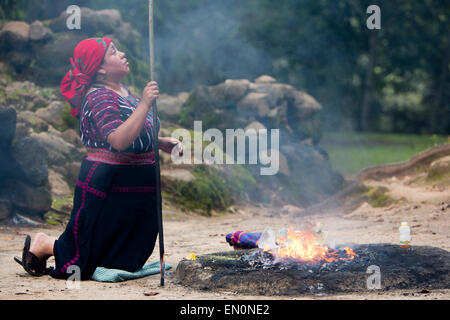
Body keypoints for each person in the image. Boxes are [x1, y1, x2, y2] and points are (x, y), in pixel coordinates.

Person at [14, 37, 182, 280]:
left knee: (126, 252)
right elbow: (117, 140)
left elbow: (133, 130)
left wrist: (159, 142)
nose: (123, 54)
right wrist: (146, 103)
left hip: (137, 183)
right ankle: (45, 244)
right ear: (100, 68)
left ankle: (55, 246)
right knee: (88, 252)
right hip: (110, 183)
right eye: (114, 52)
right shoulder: (99, 97)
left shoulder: (125, 93)